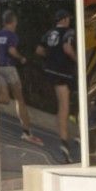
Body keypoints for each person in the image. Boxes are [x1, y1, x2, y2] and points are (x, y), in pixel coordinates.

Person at [0, 10, 43, 148]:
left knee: (4, 98)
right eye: (16, 22)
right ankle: (27, 133)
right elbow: (11, 50)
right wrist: (21, 58)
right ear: (13, 22)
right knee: (19, 99)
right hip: (9, 69)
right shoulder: (12, 35)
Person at [36, 10, 79, 163]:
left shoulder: (48, 33)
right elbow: (68, 48)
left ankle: (71, 137)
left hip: (52, 72)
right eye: (69, 19)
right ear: (66, 19)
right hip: (65, 73)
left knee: (65, 105)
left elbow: (39, 51)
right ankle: (65, 143)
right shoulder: (69, 32)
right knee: (65, 106)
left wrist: (52, 57)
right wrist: (78, 60)